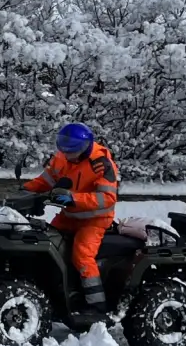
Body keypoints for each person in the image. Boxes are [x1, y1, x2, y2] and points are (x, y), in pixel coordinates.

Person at [22, 122, 119, 315]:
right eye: (65, 152)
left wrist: (72, 198)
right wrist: (26, 190)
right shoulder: (62, 158)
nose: (68, 157)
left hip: (95, 219)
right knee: (46, 243)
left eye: (73, 153)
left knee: (82, 254)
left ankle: (95, 305)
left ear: (85, 146)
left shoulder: (100, 163)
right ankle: (58, 289)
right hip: (69, 216)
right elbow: (46, 180)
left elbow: (107, 199)